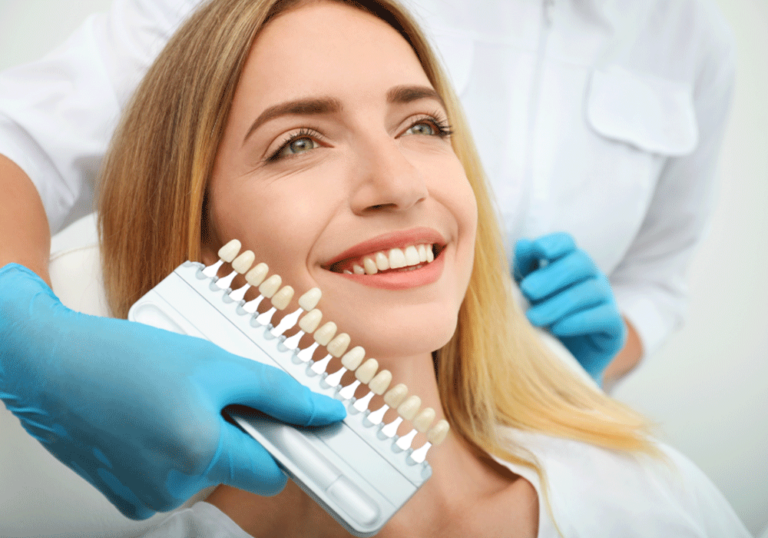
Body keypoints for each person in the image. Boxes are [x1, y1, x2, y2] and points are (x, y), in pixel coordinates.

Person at [0, 0, 734, 521]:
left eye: (424, 125)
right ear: (198, 230)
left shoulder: (654, 499)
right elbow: (18, 143)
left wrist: (548, 368)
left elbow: (657, 282)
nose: (402, 185)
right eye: (298, 143)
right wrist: (27, 341)